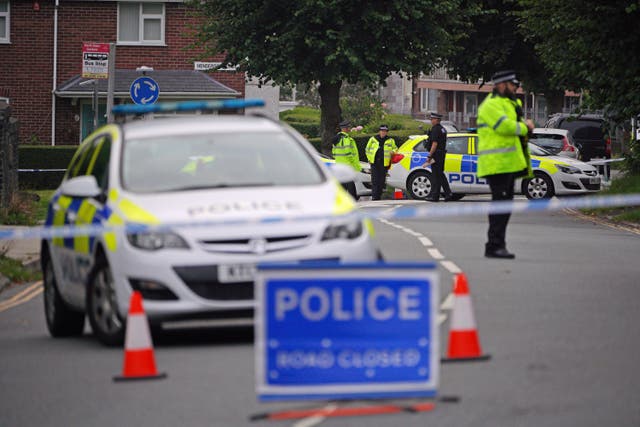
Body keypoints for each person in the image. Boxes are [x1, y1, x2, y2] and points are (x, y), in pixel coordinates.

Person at [477, 70, 535, 259]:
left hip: (507, 164)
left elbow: (517, 131)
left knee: (505, 206)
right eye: (513, 85)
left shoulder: (508, 104)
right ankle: (494, 245)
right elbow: (505, 127)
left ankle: (497, 244)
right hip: (496, 165)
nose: (516, 88)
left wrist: (525, 128)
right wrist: (526, 126)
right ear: (501, 85)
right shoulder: (491, 105)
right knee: (500, 206)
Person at [422, 112, 453, 201]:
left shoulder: (435, 129)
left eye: (432, 119)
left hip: (436, 154)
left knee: (436, 176)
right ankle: (448, 193)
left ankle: (435, 196)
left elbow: (434, 144)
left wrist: (430, 155)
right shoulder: (443, 129)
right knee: (440, 175)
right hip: (441, 154)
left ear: (436, 119)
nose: (431, 121)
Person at [365, 124, 397, 200]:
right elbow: (367, 149)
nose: (383, 132)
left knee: (381, 181)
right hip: (374, 163)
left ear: (387, 132)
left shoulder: (390, 140)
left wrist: (393, 151)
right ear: (379, 131)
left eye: (385, 131)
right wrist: (369, 159)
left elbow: (395, 148)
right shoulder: (373, 139)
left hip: (384, 163)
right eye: (382, 131)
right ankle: (374, 197)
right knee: (375, 180)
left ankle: (378, 196)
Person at [331, 120, 361, 198]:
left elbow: (334, 153)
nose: (349, 129)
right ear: (345, 129)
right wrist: (354, 164)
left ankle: (342, 199)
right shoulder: (346, 139)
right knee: (350, 184)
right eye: (348, 127)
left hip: (339, 164)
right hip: (348, 164)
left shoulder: (336, 139)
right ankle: (353, 199)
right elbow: (348, 153)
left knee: (343, 184)